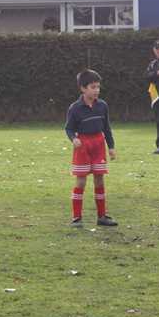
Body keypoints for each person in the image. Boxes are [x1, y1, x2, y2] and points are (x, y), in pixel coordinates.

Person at [65, 69, 117, 228]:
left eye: (98, 87)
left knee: (99, 179)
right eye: (93, 87)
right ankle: (76, 218)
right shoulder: (75, 108)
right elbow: (68, 128)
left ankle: (102, 216)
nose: (96, 90)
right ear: (83, 88)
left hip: (98, 144)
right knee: (81, 181)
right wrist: (74, 139)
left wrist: (111, 147)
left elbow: (107, 128)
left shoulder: (102, 106)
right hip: (83, 146)